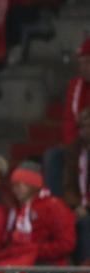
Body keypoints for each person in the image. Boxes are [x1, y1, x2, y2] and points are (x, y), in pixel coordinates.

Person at [44, 39, 90, 199]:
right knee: (53, 156)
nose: (84, 67)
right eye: (82, 62)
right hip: (78, 141)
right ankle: (58, 207)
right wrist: (75, 143)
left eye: (88, 62)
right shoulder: (75, 85)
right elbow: (69, 120)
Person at [7, 161, 76, 266]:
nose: (16, 189)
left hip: (50, 265)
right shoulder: (18, 208)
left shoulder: (54, 206)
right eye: (14, 185)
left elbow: (66, 243)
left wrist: (33, 250)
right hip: (24, 261)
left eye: (21, 184)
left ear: (33, 184)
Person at [64, 108, 90, 264]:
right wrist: (75, 206)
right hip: (79, 207)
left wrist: (86, 206)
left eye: (88, 125)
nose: (84, 131)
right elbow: (68, 185)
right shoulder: (74, 150)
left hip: (87, 208)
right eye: (81, 126)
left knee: (85, 223)